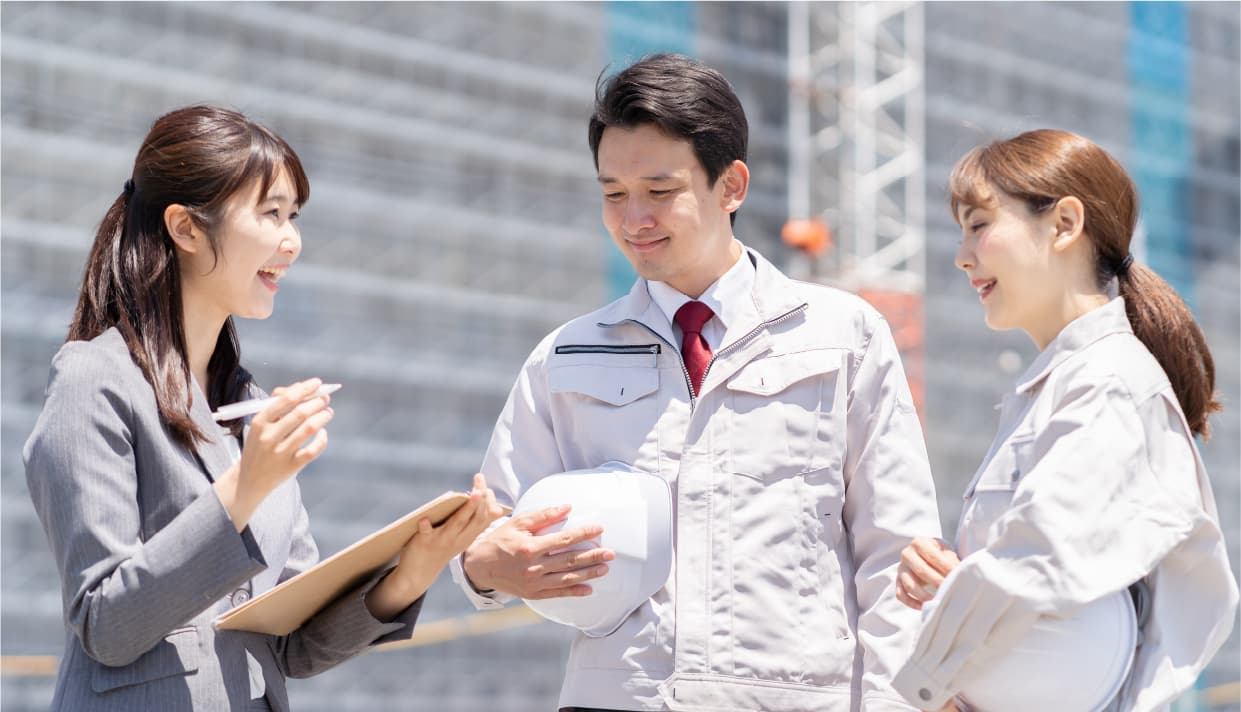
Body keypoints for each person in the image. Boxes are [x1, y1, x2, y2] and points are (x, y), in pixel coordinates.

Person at [450, 53, 943, 712]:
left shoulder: (842, 336)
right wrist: (482, 567)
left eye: (659, 192)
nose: (633, 220)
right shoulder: (563, 357)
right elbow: (490, 535)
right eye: (612, 193)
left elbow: (895, 554)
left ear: (730, 185)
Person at [23, 105, 501, 712]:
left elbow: (291, 645)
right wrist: (244, 489)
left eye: (293, 216)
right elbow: (104, 624)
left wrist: (411, 570)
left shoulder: (246, 406)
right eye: (270, 213)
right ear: (187, 228)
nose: (291, 240)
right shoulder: (94, 379)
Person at [891, 129, 1239, 711]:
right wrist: (949, 583)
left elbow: (1040, 555)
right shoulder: (1063, 385)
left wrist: (936, 662)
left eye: (979, 224)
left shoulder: (1108, 382)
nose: (961, 255)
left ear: (1064, 224)